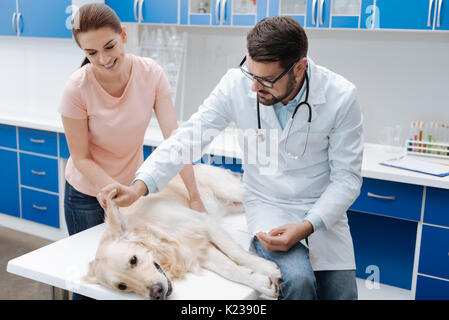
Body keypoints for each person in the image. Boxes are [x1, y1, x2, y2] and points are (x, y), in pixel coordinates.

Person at [98, 16, 363, 300]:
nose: (253, 87)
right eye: (251, 73)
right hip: (269, 204)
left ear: (299, 68)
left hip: (321, 209)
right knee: (298, 283)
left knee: (342, 295)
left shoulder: (341, 96)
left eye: (266, 80)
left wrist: (307, 225)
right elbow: (188, 137)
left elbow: (347, 178)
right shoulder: (236, 85)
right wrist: (139, 186)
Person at [59, 4, 206, 299]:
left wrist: (195, 196)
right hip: (86, 197)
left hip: (132, 195)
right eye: (91, 53)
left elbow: (174, 141)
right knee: (95, 283)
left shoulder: (151, 74)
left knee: (134, 279)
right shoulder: (76, 89)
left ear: (123, 35)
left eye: (109, 46)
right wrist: (117, 192)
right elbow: (81, 157)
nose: (103, 59)